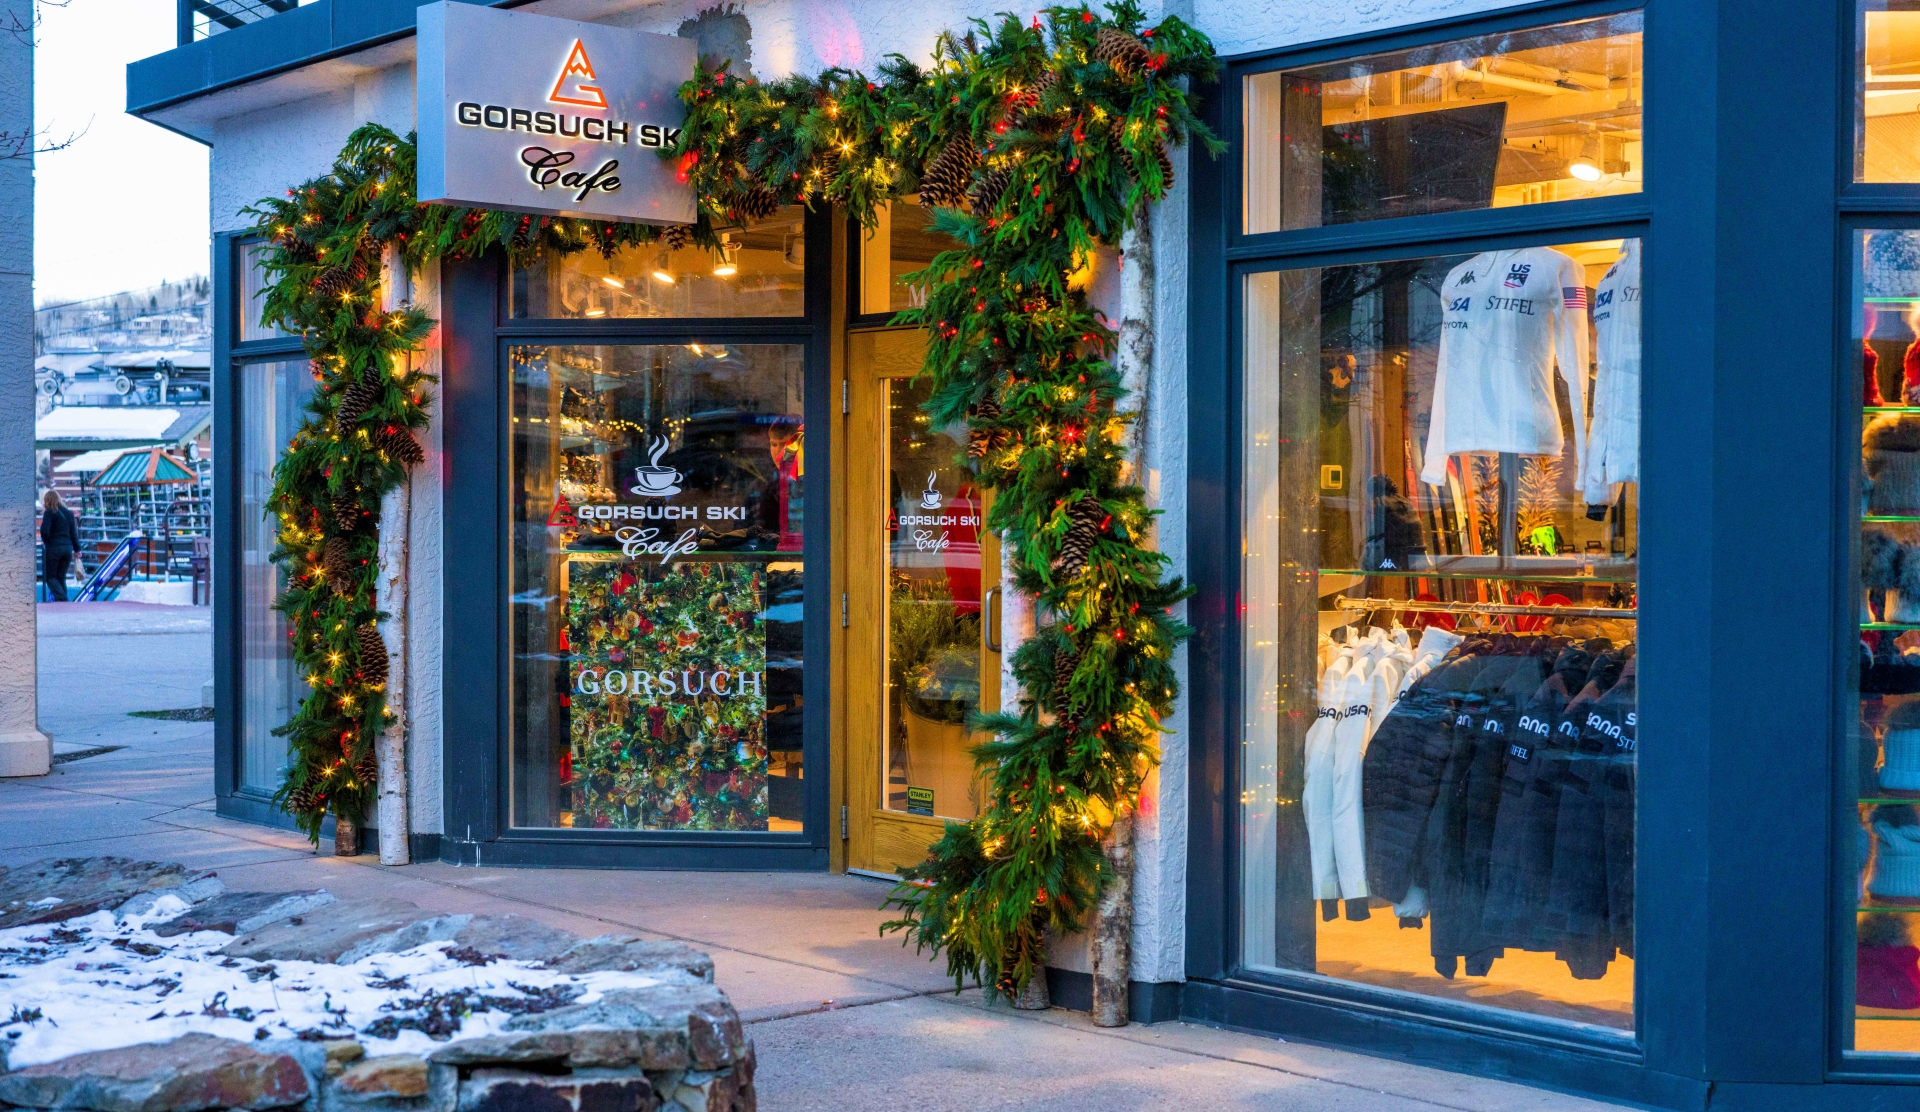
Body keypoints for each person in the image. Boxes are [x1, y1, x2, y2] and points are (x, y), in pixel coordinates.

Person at [40, 490, 79, 602]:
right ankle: (63, 605)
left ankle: (63, 599)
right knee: (61, 577)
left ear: (47, 500)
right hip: (67, 549)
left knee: (50, 577)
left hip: (53, 549)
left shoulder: (49, 512)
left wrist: (46, 541)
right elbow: (73, 533)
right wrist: (77, 549)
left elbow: (45, 531)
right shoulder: (68, 513)